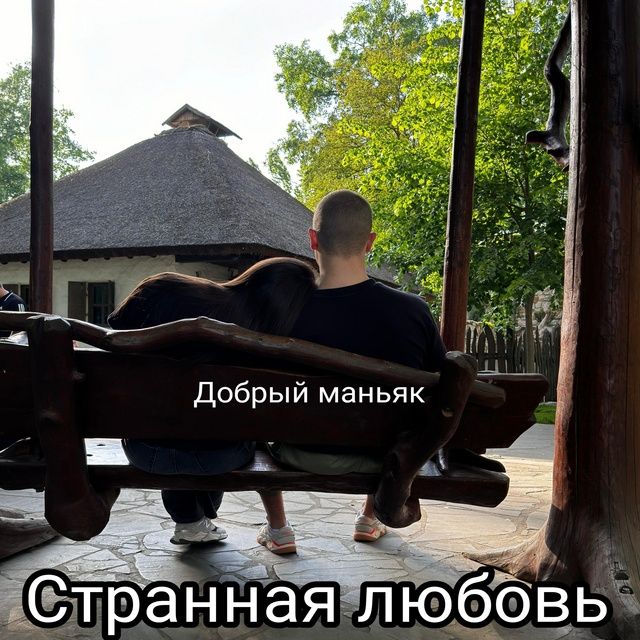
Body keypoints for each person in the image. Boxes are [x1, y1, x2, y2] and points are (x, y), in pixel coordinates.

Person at [257, 190, 447, 555]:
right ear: (370, 242)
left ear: (313, 239)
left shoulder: (281, 311)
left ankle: (278, 528)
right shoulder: (413, 312)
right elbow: (438, 390)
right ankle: (368, 517)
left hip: (295, 451)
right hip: (384, 457)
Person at [107, 257, 318, 545]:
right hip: (221, 458)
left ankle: (190, 520)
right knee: (224, 428)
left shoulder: (164, 287)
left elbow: (114, 331)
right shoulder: (271, 345)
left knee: (173, 419)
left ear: (252, 277)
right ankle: (235, 522)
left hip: (144, 451)